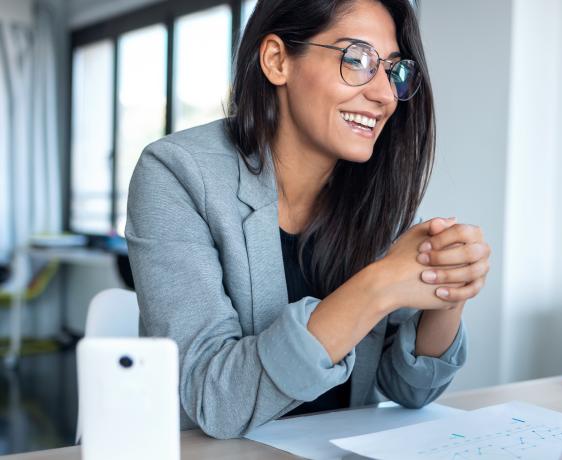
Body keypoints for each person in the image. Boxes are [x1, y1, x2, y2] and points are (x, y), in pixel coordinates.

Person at [125, 0, 491, 439]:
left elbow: (409, 390)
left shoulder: (374, 192)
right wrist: (378, 286)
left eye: (393, 70)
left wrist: (448, 291)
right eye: (356, 59)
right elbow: (213, 397)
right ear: (277, 60)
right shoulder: (176, 173)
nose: (384, 94)